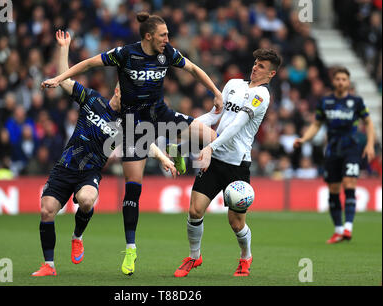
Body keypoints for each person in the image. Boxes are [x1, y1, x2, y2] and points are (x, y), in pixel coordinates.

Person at [42, 12, 219, 276]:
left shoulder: (167, 53)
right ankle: (131, 248)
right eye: (163, 35)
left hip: (160, 114)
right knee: (132, 190)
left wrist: (215, 92)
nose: (168, 39)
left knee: (211, 138)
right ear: (148, 36)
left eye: (168, 35)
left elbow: (192, 68)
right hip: (135, 128)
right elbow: (89, 64)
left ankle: (180, 149)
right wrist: (59, 77)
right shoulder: (121, 59)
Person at [32, 30, 177, 277]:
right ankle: (49, 265)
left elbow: (145, 143)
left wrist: (163, 157)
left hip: (89, 172)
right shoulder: (91, 99)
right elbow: (66, 80)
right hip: (65, 167)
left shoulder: (127, 121)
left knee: (87, 200)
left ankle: (77, 237)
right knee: (47, 210)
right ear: (119, 91)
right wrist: (64, 48)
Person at [173, 49, 281, 278]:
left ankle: (245, 257)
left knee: (235, 222)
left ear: (271, 73)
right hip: (215, 158)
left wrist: (209, 147)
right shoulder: (233, 84)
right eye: (255, 63)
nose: (255, 67)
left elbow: (237, 126)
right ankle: (194, 256)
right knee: (194, 210)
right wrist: (182, 128)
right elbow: (214, 116)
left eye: (261, 66)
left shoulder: (261, 95)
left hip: (237, 164)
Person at [293, 67, 375, 244]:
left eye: (344, 79)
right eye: (338, 79)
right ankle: (338, 230)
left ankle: (348, 227)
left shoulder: (356, 102)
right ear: (334, 81)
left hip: (351, 148)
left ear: (348, 81)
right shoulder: (325, 102)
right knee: (334, 190)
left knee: (349, 182)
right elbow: (316, 124)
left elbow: (368, 123)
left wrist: (369, 144)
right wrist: (304, 138)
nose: (340, 82)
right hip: (332, 150)